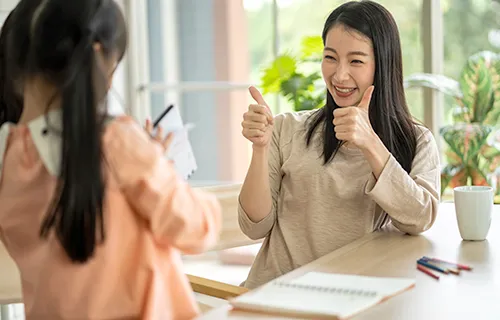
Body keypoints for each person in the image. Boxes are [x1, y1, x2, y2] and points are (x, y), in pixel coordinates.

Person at [0, 1, 221, 319]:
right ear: (99, 55)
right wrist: (158, 165)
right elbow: (197, 229)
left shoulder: (9, 155)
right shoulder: (117, 141)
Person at [238, 0, 441, 289]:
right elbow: (254, 226)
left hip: (351, 301)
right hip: (274, 297)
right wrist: (260, 148)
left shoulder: (417, 141)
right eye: (330, 57)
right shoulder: (287, 129)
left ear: (382, 65)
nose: (339, 75)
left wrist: (370, 143)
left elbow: (419, 219)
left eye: (356, 61)